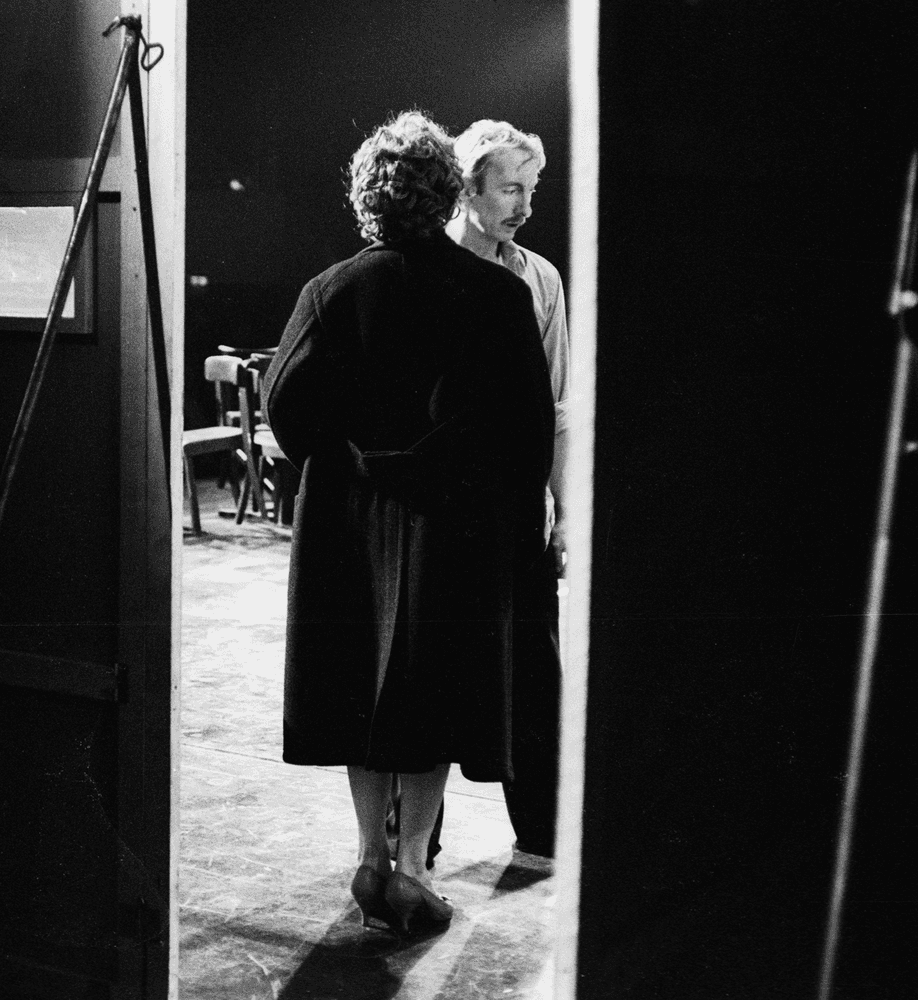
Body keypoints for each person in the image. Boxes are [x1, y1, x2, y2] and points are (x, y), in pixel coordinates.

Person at [260, 111, 554, 935]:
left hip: (349, 529)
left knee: (361, 689)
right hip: (455, 527)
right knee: (432, 697)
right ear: (447, 191)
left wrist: (349, 454)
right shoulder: (499, 294)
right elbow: (529, 428)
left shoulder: (333, 290)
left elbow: (286, 411)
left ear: (367, 198)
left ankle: (368, 857)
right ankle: (416, 867)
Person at [446, 117, 570, 858]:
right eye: (510, 188)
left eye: (533, 188)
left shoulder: (539, 277)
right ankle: (411, 849)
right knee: (430, 667)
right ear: (468, 187)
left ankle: (544, 831)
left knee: (532, 670)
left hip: (519, 506)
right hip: (445, 503)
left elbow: (556, 407)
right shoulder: (421, 269)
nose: (525, 204)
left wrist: (561, 514)